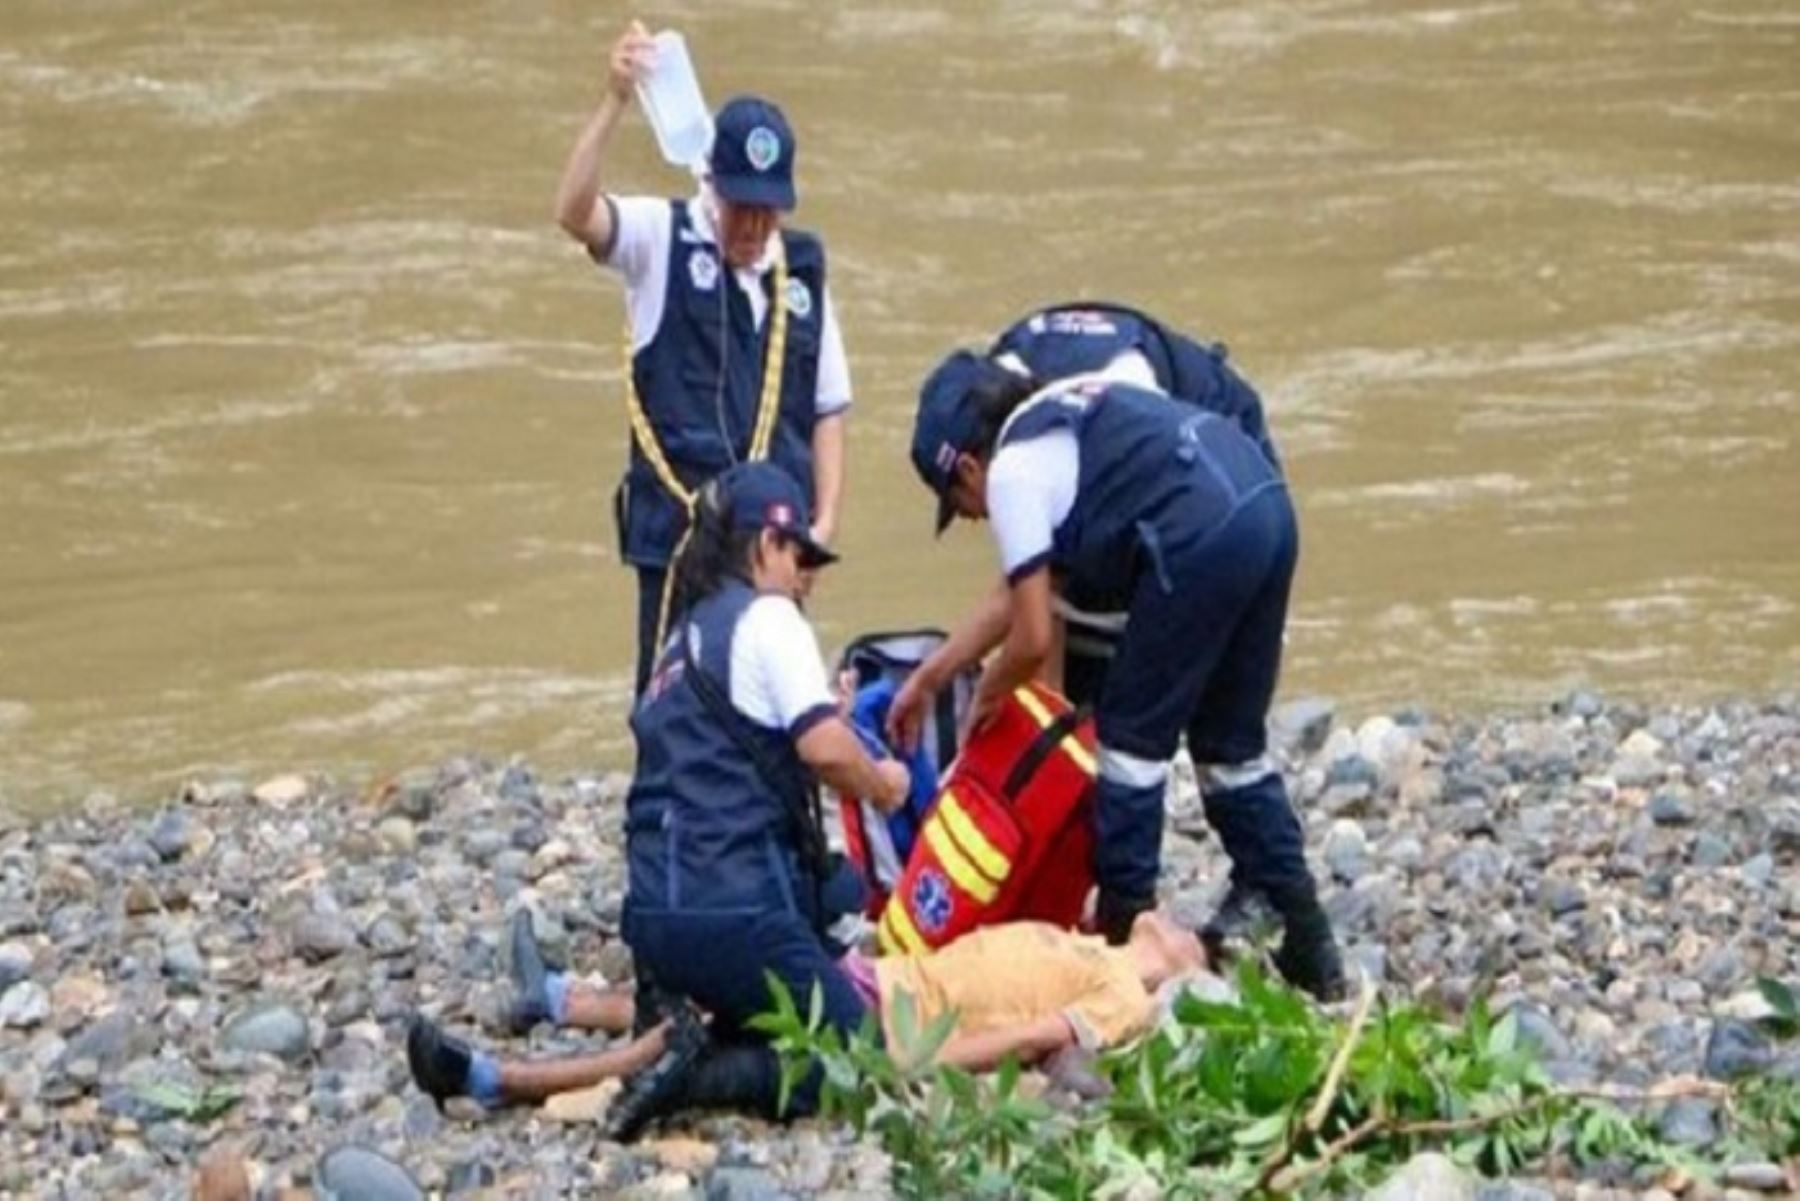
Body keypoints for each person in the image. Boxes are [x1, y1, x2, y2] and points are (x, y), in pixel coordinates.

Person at [889, 355, 1346, 1000]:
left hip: (1195, 534)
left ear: (968, 467)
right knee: (1231, 750)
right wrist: (931, 678)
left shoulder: (1014, 475)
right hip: (1263, 502)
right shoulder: (1077, 400)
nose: (974, 519)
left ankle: (1123, 944)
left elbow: (1033, 633)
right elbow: (1016, 597)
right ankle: (1311, 945)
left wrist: (986, 701)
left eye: (961, 504)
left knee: (1129, 747)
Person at [555, 22, 853, 694]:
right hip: (682, 537)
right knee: (674, 699)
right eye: (739, 208)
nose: (751, 228)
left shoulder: (801, 276)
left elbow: (829, 408)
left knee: (772, 699)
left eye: (767, 213)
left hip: (775, 546)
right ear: (713, 188)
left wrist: (824, 522)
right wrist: (614, 101)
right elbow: (574, 211)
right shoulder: (659, 241)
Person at [406, 908, 1206, 1112]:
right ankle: (555, 998)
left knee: (683, 1041)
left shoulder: (1126, 993)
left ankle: (494, 1078)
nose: (1176, 917)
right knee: (716, 988)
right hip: (879, 979)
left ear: (1183, 966)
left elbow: (1038, 1037)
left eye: (1190, 933)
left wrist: (914, 1063)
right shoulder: (1088, 941)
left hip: (884, 1021)